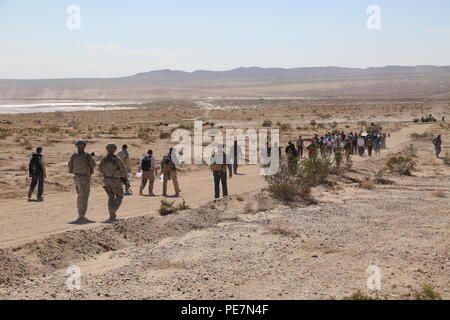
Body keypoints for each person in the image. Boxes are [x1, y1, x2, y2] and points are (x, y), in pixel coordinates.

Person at [68, 140, 96, 221]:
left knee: (80, 195)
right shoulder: (87, 156)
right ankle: (81, 215)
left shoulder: (74, 155)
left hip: (77, 177)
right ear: (84, 146)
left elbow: (70, 166)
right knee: (84, 196)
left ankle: (80, 214)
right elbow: (93, 165)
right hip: (85, 178)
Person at [99, 143, 128, 220]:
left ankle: (111, 214)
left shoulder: (103, 159)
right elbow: (124, 170)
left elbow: (100, 169)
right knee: (119, 196)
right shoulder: (117, 159)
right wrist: (123, 177)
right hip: (115, 180)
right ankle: (113, 210)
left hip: (106, 181)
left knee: (110, 196)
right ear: (114, 150)